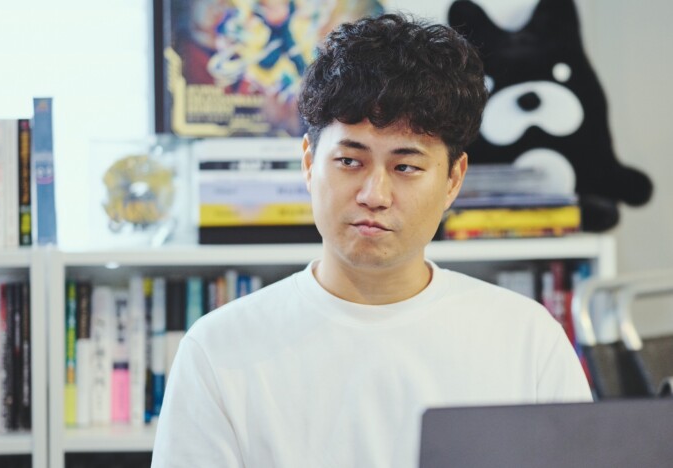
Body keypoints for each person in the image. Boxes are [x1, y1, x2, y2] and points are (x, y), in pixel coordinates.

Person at [151, 13, 592, 467]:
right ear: (309, 163)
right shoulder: (218, 351)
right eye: (349, 161)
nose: (374, 195)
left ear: (453, 179)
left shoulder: (527, 339)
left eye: (406, 167)